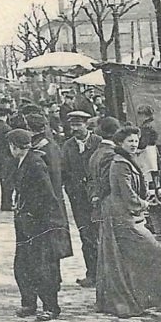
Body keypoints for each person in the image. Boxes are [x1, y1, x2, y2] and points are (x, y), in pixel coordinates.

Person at [99, 126, 161, 316]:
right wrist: (145, 204)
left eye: (135, 141)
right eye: (130, 141)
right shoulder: (120, 163)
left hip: (127, 214)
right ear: (120, 143)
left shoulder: (127, 159)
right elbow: (126, 193)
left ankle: (158, 297)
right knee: (152, 251)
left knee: (136, 258)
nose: (134, 144)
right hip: (122, 215)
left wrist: (145, 197)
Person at [8, 129, 71, 322]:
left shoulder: (35, 163)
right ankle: (29, 303)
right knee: (23, 264)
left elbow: (47, 195)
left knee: (42, 267)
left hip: (39, 224)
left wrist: (32, 214)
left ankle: (51, 307)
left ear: (15, 147)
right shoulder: (25, 161)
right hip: (27, 222)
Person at [61, 111, 100, 288]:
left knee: (102, 235)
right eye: (73, 125)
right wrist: (72, 190)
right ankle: (91, 273)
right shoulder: (68, 146)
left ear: (87, 125)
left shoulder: (98, 143)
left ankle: (107, 274)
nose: (76, 129)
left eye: (79, 125)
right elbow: (64, 172)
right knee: (86, 236)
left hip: (98, 197)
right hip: (79, 200)